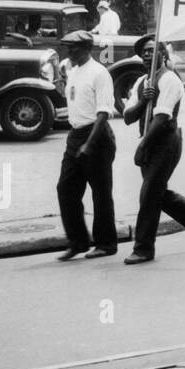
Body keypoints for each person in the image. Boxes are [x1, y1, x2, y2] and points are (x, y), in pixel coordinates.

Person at [121, 35, 185, 264]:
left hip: (166, 142)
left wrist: (143, 145)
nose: (146, 54)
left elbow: (162, 117)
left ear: (163, 55)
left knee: (148, 194)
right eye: (143, 51)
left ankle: (143, 248)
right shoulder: (142, 82)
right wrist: (143, 101)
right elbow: (127, 117)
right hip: (149, 142)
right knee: (156, 193)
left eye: (152, 50)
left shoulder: (170, 79)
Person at [55, 29, 118, 260]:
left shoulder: (99, 73)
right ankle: (78, 241)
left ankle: (106, 243)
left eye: (73, 48)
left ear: (86, 49)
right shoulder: (73, 69)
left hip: (96, 137)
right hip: (75, 135)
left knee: (100, 193)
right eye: (68, 47)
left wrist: (89, 145)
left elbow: (103, 112)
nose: (69, 51)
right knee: (66, 189)